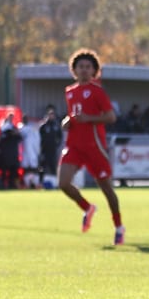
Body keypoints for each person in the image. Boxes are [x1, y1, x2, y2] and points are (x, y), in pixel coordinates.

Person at [59, 49, 125, 245]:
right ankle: (87, 208)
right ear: (74, 70)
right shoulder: (70, 92)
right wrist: (66, 122)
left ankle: (119, 226)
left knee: (106, 189)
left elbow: (111, 116)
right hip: (74, 145)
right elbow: (72, 115)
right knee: (63, 183)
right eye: (81, 67)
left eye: (88, 67)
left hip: (95, 147)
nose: (84, 70)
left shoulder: (97, 92)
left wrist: (90, 119)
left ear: (94, 70)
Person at [0, 114, 23, 189]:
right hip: (5, 156)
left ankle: (12, 186)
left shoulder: (14, 130)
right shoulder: (3, 131)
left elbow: (20, 138)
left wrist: (15, 133)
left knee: (13, 173)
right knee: (4, 174)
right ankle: (2, 186)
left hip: (13, 156)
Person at [38, 105, 63, 188]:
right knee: (42, 167)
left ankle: (56, 183)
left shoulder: (56, 126)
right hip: (44, 150)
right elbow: (39, 137)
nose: (51, 116)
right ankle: (40, 183)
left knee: (53, 167)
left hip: (53, 150)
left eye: (52, 115)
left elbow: (60, 137)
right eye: (50, 114)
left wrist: (57, 144)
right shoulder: (43, 126)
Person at [20, 115, 42, 188]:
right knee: (26, 168)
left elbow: (37, 140)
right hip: (24, 153)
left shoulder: (32, 129)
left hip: (33, 152)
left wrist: (37, 151)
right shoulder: (20, 129)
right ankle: (27, 183)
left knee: (34, 168)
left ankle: (35, 183)